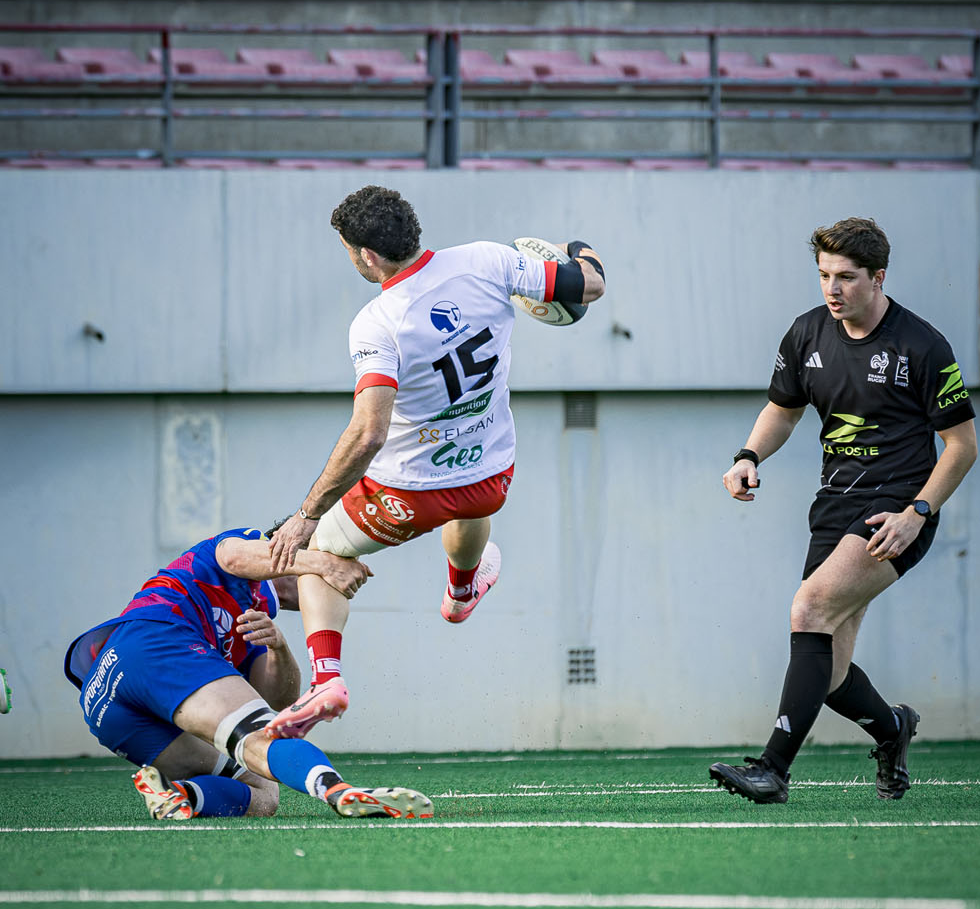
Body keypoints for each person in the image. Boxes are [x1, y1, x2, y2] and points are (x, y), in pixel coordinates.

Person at [265, 184, 606, 738]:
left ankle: (326, 679)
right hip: (491, 473)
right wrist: (581, 250)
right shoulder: (487, 260)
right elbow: (588, 285)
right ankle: (461, 590)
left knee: (319, 552)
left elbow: (368, 434)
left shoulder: (377, 323)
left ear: (367, 255)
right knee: (469, 507)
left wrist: (308, 514)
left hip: (407, 492)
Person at [710, 216, 977, 805]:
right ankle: (892, 727)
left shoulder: (923, 346)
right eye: (824, 275)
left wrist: (917, 513)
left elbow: (962, 447)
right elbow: (783, 409)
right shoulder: (807, 333)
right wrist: (749, 454)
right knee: (827, 669)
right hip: (833, 503)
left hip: (895, 511)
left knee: (808, 611)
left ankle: (773, 770)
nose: (832, 289)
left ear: (878, 277)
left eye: (847, 277)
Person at [64, 525, 433, 821]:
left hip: (105, 703)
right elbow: (234, 556)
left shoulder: (255, 621)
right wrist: (324, 563)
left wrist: (279, 648)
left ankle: (180, 796)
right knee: (258, 741)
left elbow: (276, 705)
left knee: (262, 791)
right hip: (153, 640)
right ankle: (338, 791)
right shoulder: (246, 546)